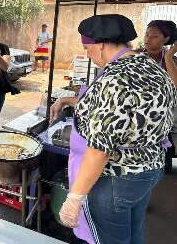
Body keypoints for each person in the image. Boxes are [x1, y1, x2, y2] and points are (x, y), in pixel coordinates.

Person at [50, 14, 176, 244]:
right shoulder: (151, 67)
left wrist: (74, 198)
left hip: (117, 178)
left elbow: (100, 149)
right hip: (149, 169)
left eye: (87, 49)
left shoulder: (114, 78)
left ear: (99, 45)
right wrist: (69, 100)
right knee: (134, 233)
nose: (88, 55)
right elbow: (124, 110)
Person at [142, 20, 177, 173]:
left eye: (154, 36)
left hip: (164, 118)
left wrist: (169, 56)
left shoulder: (171, 60)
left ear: (166, 39)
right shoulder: (136, 57)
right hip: (142, 116)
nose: (147, 39)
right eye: (147, 34)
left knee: (165, 159)